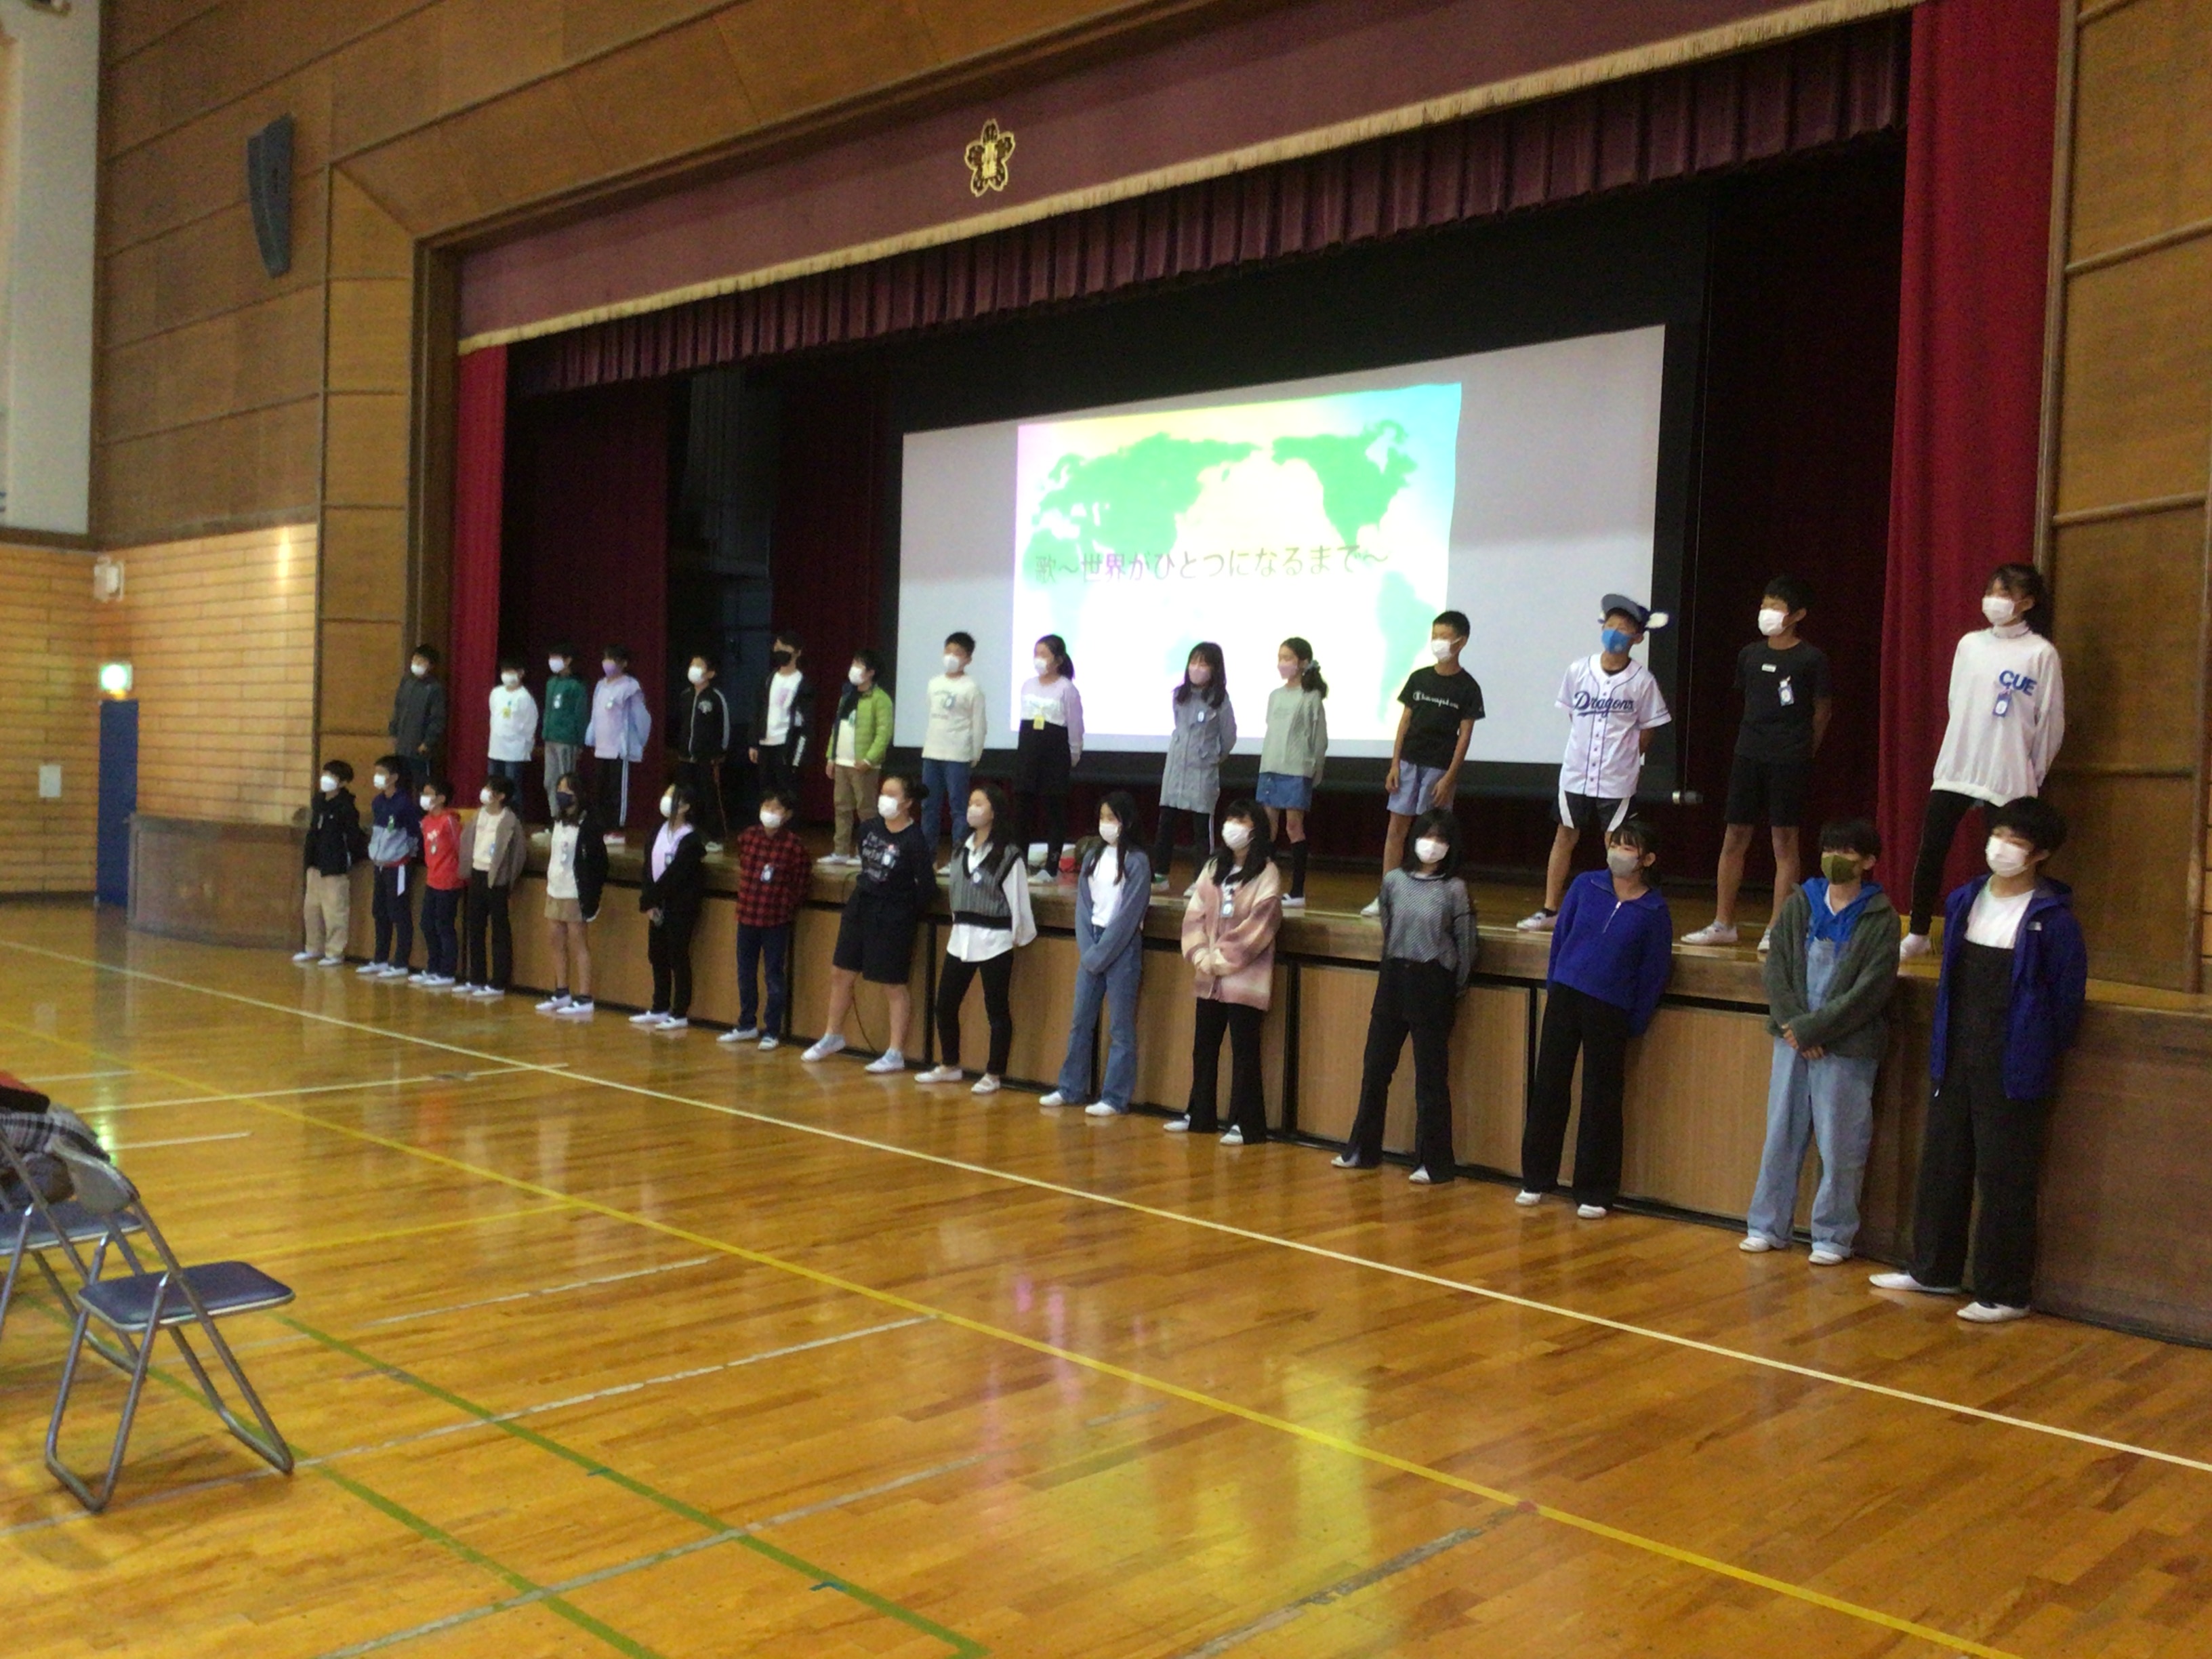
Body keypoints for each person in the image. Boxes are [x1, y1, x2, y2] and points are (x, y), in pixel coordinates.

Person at [1872, 798, 2087, 1322]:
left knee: (2004, 1178)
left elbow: (2066, 1003)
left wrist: (2033, 1050)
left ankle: (2005, 1292)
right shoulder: (1966, 899)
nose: (2002, 847)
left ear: (2040, 854)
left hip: (2014, 1063)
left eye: (2017, 841)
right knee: (1942, 1163)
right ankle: (1933, 1270)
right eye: (2000, 834)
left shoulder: (2054, 921)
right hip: (1957, 1051)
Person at [1741, 818, 1899, 1263]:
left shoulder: (1880, 917)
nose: (1835, 859)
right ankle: (1768, 1226)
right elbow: (1777, 967)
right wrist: (1796, 1025)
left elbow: (1871, 989)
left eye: (1846, 852)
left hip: (1846, 1045)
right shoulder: (1800, 903)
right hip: (1792, 1039)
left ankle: (1833, 1235)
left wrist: (1817, 1029)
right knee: (1780, 1134)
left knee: (1841, 1142)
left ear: (1868, 861)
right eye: (1829, 849)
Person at [1899, 565, 2066, 962]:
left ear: (2027, 602)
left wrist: (2031, 775)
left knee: (2004, 858)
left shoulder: (2040, 653)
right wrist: (1965, 747)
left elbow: (2050, 721)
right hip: (1958, 767)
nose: (1995, 599)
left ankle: (1994, 934)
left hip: (2007, 774)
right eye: (1991, 590)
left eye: (2005, 593)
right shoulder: (1970, 645)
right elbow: (1957, 703)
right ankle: (1918, 931)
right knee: (1932, 849)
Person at [1517, 816, 1673, 1216]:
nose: (1618, 853)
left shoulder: (1655, 911)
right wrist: (1556, 982)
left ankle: (1594, 1190)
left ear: (1648, 859)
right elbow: (1561, 938)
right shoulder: (1586, 885)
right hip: (1567, 994)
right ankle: (1536, 1178)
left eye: (1628, 847)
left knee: (1601, 1098)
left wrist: (1635, 1021)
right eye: (1615, 844)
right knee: (1550, 1085)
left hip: (1612, 1007)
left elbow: (1653, 973)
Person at [1683, 576, 1833, 953]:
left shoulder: (1811, 658)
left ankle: (1775, 926)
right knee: (1735, 835)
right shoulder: (1750, 654)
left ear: (1797, 615)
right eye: (1765, 605)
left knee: (1784, 840)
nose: (1767, 613)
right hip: (1748, 753)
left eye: (1777, 607)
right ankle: (1723, 922)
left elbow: (1822, 711)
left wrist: (1803, 750)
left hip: (1789, 758)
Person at [1335, 809, 1477, 1181]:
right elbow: (1388, 925)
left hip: (1433, 982)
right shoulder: (1394, 881)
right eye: (1428, 835)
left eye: (1441, 838)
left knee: (1430, 1076)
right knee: (1376, 1067)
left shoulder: (1454, 889)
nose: (1433, 844)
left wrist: (1454, 985)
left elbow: (1466, 945)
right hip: (1394, 977)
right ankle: (1362, 1149)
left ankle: (1433, 1162)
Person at [1518, 595, 1673, 933]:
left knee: (1615, 844)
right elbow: (1573, 715)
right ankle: (1550, 908)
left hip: (1617, 777)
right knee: (1564, 836)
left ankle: (1612, 908)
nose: (1615, 632)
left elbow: (1649, 729)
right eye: (1611, 625)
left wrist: (1625, 756)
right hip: (1576, 772)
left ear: (1638, 637)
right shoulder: (1579, 670)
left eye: (1624, 627)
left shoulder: (1642, 681)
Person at [1166, 801, 1282, 1143]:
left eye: (1240, 820)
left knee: (1244, 1051)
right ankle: (1199, 1113)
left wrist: (1220, 958)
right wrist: (1201, 954)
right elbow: (1195, 914)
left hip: (1245, 978)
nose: (1232, 826)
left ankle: (1246, 1124)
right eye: (1230, 819)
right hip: (1209, 977)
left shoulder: (1267, 873)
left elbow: (1260, 926)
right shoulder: (1214, 867)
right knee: (1204, 1047)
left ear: (1256, 828)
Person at [805, 772, 935, 1070]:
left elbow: (926, 887)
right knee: (841, 972)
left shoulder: (914, 839)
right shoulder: (868, 829)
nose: (884, 799)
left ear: (907, 803)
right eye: (883, 793)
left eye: (892, 795)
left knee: (893, 984)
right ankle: (832, 1035)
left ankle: (895, 1052)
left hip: (893, 915)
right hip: (861, 905)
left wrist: (904, 910)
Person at [919, 783, 1037, 1094]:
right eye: (970, 803)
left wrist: (1017, 937)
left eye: (979, 804)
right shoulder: (961, 848)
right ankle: (950, 1064)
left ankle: (994, 1073)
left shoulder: (1009, 855)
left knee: (996, 1010)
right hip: (961, 938)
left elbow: (1019, 901)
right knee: (945, 1004)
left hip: (995, 940)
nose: (972, 809)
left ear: (994, 812)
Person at [1364, 612, 1482, 919]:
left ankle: (1426, 896)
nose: (1438, 642)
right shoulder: (1419, 678)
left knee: (1432, 834)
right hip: (1408, 763)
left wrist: (1450, 778)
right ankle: (1387, 895)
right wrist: (1394, 765)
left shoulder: (1468, 687)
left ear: (1461, 642)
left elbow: (1465, 737)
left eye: (1445, 637)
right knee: (1397, 829)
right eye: (1435, 636)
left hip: (1439, 768)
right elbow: (1404, 723)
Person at [1041, 792, 1150, 1115]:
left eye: (1112, 818)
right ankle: (1071, 1088)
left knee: (1120, 1028)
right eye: (1102, 817)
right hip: (1093, 944)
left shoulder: (1138, 861)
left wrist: (1101, 953)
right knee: (1080, 1022)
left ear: (1126, 821)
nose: (1106, 824)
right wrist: (1089, 948)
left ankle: (1114, 1097)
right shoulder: (1092, 856)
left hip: (1122, 948)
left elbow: (1129, 915)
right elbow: (1084, 906)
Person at [722, 785, 811, 1049]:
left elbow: (801, 884)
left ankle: (772, 1030)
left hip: (775, 920)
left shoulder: (794, 846)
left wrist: (785, 907)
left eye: (776, 808)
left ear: (788, 815)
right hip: (747, 915)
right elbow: (743, 865)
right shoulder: (748, 836)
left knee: (773, 975)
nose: (770, 812)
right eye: (766, 806)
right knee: (745, 972)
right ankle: (746, 1024)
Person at [1148, 642, 1237, 893]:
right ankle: (1160, 875)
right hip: (1176, 768)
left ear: (1215, 668)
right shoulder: (1180, 695)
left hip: (1202, 770)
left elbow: (1229, 737)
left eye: (1203, 663)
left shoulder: (1220, 700)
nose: (1196, 668)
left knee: (1201, 828)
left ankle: (1201, 881)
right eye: (1193, 662)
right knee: (1166, 822)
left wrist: (1214, 757)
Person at [1258, 637, 1329, 908]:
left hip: (1296, 769)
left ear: (1303, 662)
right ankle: (1265, 885)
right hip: (1271, 766)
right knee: (1268, 828)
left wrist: (1314, 769)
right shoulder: (1275, 695)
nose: (1282, 663)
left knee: (1293, 827)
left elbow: (1319, 738)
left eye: (1287, 658)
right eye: (1280, 658)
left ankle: (1297, 891)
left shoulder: (1311, 696)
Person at [633, 781, 708, 1033]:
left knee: (678, 955)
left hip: (680, 906)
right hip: (657, 905)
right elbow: (648, 867)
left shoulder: (691, 840)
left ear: (685, 807)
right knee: (657, 955)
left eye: (673, 797)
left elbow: (676, 875)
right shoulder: (657, 830)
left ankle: (680, 1011)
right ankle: (660, 1006)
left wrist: (652, 898)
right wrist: (649, 900)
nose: (666, 800)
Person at [535, 772, 608, 1019]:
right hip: (555, 888)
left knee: (578, 943)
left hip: (575, 892)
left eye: (567, 790)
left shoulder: (588, 825)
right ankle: (562, 991)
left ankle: (585, 996)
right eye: (559, 790)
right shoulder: (558, 821)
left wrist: (591, 893)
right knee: (556, 941)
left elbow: (599, 862)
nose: (561, 794)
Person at [1014, 634, 1084, 884]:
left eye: (1044, 655)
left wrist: (1073, 753)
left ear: (1058, 659)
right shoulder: (1028, 685)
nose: (1039, 659)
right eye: (1036, 654)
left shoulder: (1066, 688)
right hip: (1028, 753)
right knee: (1022, 810)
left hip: (1055, 754)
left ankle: (1051, 867)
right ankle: (1018, 864)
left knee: (1054, 810)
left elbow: (1075, 726)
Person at [457, 774, 526, 999]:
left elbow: (518, 855)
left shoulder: (510, 821)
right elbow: (467, 842)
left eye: (491, 789)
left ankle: (498, 981)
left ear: (502, 796)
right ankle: (476, 977)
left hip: (497, 879)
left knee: (499, 930)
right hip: (477, 874)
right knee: (475, 927)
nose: (486, 792)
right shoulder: (479, 815)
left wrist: (507, 879)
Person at [920, 632, 989, 859]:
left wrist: (975, 753)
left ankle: (958, 858)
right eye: (948, 651)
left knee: (958, 808)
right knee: (929, 806)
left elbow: (979, 724)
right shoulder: (934, 683)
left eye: (958, 653)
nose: (951, 657)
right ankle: (927, 857)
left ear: (968, 659)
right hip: (932, 752)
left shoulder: (972, 687)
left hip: (958, 755)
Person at [824, 649, 893, 865]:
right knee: (841, 807)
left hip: (863, 765)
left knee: (866, 810)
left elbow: (884, 734)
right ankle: (841, 851)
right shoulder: (847, 695)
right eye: (854, 663)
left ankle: (867, 852)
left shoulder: (880, 699)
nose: (853, 668)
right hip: (842, 761)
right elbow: (836, 728)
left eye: (859, 665)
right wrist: (831, 757)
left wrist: (869, 760)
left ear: (871, 672)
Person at [359, 756, 422, 979]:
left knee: (399, 912)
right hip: (380, 864)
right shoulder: (378, 802)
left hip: (398, 865)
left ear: (394, 777)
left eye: (382, 773)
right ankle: (380, 959)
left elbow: (415, 833)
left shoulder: (405, 804)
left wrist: (405, 856)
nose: (377, 777)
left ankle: (401, 962)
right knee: (380, 911)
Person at [295, 760, 362, 968]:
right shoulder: (319, 801)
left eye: (332, 776)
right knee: (312, 909)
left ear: (343, 782)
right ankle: (313, 948)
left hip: (334, 866)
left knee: (335, 911)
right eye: (325, 774)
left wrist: (350, 857)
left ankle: (334, 952)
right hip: (315, 863)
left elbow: (353, 837)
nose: (325, 779)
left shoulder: (346, 807)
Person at [586, 645, 651, 842]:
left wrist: (639, 742)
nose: (608, 663)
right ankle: (601, 826)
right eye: (606, 658)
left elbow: (641, 717)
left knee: (617, 790)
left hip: (619, 749)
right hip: (602, 747)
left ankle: (617, 828)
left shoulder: (630, 687)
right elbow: (595, 714)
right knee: (600, 789)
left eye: (613, 659)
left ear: (624, 663)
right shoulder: (600, 685)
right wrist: (591, 736)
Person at [674, 654, 733, 850]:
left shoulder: (715, 697)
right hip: (685, 757)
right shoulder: (685, 696)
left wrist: (720, 752)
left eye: (699, 665)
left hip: (707, 758)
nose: (694, 668)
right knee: (687, 798)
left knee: (709, 797)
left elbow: (724, 727)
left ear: (711, 673)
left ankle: (716, 837)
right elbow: (681, 724)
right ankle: (690, 835)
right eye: (692, 664)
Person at [413, 777, 464, 988]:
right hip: (432, 879)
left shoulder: (449, 821)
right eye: (423, 794)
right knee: (427, 923)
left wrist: (460, 873)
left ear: (441, 798)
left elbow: (459, 847)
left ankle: (447, 972)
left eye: (428, 794)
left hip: (449, 880)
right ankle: (433, 967)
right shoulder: (426, 821)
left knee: (444, 925)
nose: (424, 798)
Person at [748, 631, 811, 797]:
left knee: (787, 792)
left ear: (797, 652)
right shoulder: (768, 680)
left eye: (785, 648)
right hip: (765, 743)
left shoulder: (802, 683)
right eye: (777, 648)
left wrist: (799, 755)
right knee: (765, 791)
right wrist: (754, 742)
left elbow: (807, 723)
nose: (780, 652)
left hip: (786, 744)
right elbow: (757, 711)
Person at [388, 644, 447, 794]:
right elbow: (398, 708)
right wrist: (393, 731)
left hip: (420, 748)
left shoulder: (434, 688)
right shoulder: (407, 681)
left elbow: (437, 719)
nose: (417, 664)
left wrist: (428, 742)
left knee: (423, 786)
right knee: (402, 785)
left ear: (431, 666)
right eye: (415, 660)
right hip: (402, 746)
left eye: (422, 661)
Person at [541, 642, 588, 821]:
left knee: (566, 782)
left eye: (557, 658)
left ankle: (569, 817)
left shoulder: (576, 686)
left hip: (567, 740)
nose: (552, 661)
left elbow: (580, 715)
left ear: (568, 661)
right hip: (550, 738)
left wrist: (579, 742)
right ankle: (555, 817)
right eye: (551, 658)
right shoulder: (551, 683)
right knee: (549, 781)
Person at [487, 658, 539, 799]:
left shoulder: (524, 697)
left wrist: (526, 746)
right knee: (493, 787)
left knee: (512, 790)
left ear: (521, 673)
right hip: (496, 748)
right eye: (505, 671)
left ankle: (513, 813)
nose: (506, 675)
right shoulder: (496, 693)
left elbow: (530, 725)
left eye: (510, 671)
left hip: (515, 751)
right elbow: (493, 715)